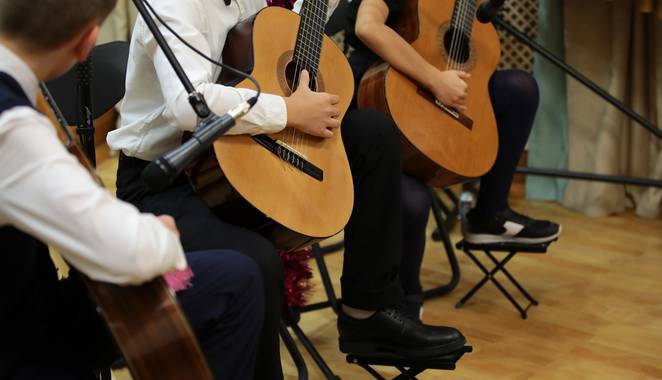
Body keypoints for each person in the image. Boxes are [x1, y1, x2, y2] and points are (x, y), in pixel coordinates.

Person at [107, 0, 466, 374]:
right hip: (166, 178)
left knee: (372, 136)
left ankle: (368, 312)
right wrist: (288, 111)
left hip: (242, 150)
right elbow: (189, 105)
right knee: (255, 260)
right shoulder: (173, 4)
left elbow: (286, 35)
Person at [0, 1, 265, 378]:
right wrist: (161, 235)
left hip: (24, 300)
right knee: (237, 280)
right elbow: (127, 253)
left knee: (232, 275)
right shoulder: (12, 131)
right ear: (86, 43)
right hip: (21, 342)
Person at [345, 0, 562, 316]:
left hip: (435, 91)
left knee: (519, 89)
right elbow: (368, 26)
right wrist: (434, 79)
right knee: (413, 198)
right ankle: (400, 306)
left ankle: (490, 214)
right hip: (382, 93)